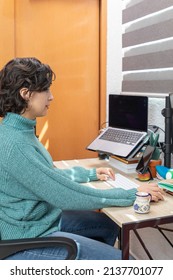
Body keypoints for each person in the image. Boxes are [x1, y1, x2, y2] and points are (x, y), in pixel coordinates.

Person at [0, 57, 164, 260]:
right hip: (25, 238)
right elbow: (64, 195)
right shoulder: (16, 145)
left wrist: (89, 174)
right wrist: (133, 194)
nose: (51, 97)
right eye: (46, 90)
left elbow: (45, 175)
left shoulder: (18, 131)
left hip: (37, 221)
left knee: (106, 225)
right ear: (25, 94)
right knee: (128, 264)